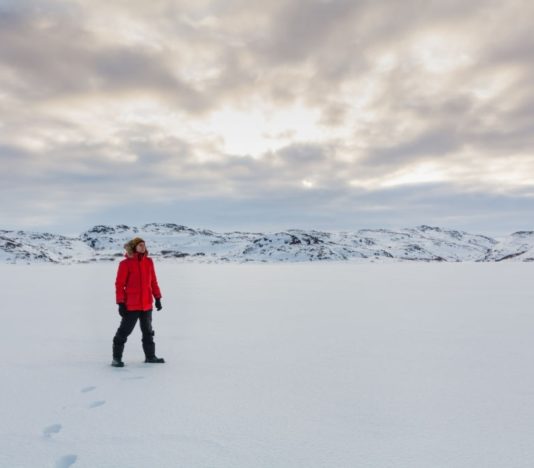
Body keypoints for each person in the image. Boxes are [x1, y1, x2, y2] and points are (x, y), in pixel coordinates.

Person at [112, 237, 165, 367]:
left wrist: (157, 298)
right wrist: (120, 303)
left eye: (144, 245)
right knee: (123, 332)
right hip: (131, 305)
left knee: (148, 332)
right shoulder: (125, 264)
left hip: (147, 305)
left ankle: (150, 357)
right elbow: (120, 285)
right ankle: (116, 359)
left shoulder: (149, 262)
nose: (143, 247)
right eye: (140, 245)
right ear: (134, 247)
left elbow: (153, 282)